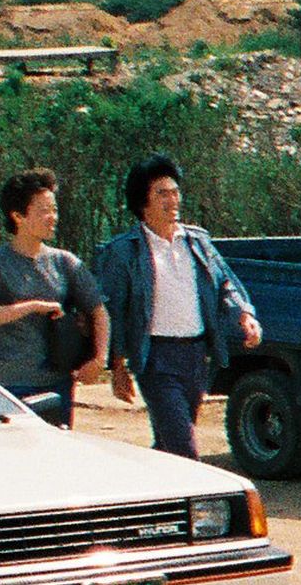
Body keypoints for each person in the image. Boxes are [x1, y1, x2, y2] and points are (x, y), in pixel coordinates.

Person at [95, 156, 262, 458]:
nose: (172, 200)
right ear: (142, 201)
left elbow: (225, 284)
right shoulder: (124, 252)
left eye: (175, 192)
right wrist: (117, 367)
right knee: (183, 446)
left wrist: (245, 315)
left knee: (168, 446)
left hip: (196, 355)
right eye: (162, 193)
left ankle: (152, 496)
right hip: (156, 358)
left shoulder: (196, 242)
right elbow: (115, 312)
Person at [0, 170, 104, 425]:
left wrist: (99, 358)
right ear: (18, 216)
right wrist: (32, 307)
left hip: (58, 383)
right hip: (12, 386)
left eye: (54, 209)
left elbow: (98, 310)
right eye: (44, 210)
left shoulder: (65, 262)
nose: (52, 217)